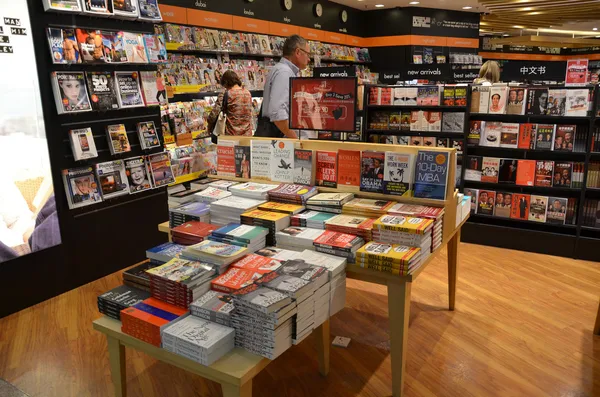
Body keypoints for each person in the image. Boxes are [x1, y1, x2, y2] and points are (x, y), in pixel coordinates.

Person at [257, 35, 312, 139]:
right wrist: (295, 139)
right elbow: (278, 113)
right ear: (298, 52)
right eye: (307, 54)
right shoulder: (284, 73)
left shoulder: (283, 70)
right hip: (280, 141)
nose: (309, 59)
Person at [207, 70, 253, 138]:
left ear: (226, 83)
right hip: (247, 135)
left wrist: (209, 125)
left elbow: (214, 114)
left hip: (231, 135)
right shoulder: (248, 93)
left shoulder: (227, 94)